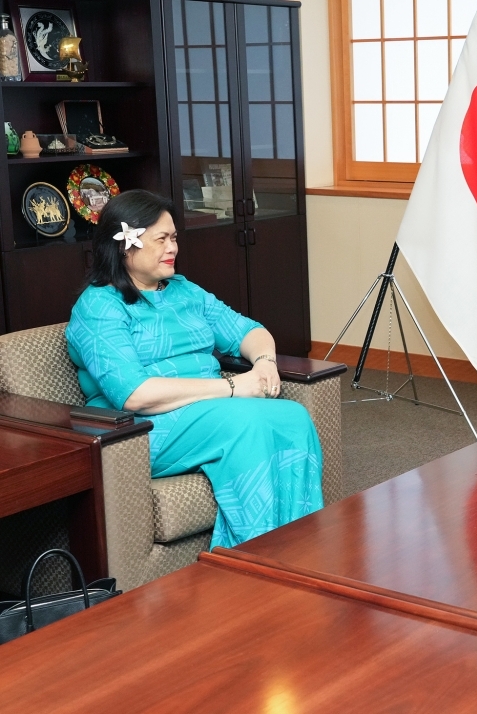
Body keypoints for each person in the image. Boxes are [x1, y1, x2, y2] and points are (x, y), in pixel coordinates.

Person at [66, 190, 323, 548]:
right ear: (126, 245)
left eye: (174, 238)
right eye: (161, 239)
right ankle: (253, 557)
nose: (173, 248)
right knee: (244, 422)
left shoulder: (184, 291)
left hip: (204, 411)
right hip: (139, 428)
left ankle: (300, 547)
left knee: (292, 417)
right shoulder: (98, 307)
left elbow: (249, 331)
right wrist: (234, 388)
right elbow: (134, 394)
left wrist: (264, 362)